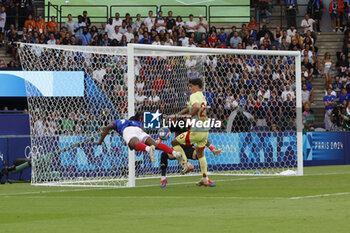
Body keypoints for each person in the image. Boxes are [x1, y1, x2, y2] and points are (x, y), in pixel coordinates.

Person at [171, 78, 214, 187]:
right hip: (205, 129)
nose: (190, 88)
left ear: (196, 86)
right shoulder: (202, 96)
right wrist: (177, 115)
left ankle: (186, 164)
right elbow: (190, 107)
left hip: (197, 130)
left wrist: (189, 117)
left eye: (191, 86)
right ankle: (205, 178)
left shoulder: (193, 96)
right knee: (200, 154)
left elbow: (195, 107)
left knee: (174, 143)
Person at [94, 112, 182, 164]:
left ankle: (148, 149)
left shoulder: (118, 121)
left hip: (127, 130)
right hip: (139, 131)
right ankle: (174, 152)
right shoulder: (137, 123)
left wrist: (100, 141)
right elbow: (143, 132)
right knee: (155, 144)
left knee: (134, 144)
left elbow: (108, 127)